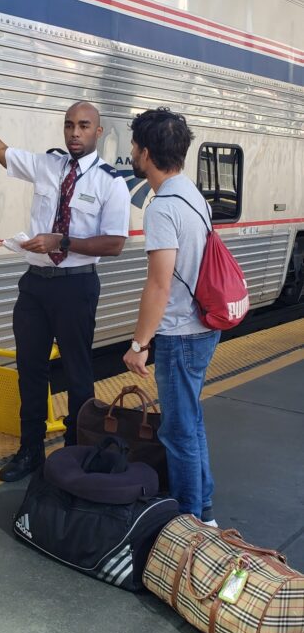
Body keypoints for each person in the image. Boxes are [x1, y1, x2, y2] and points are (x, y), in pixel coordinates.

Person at [0, 96, 131, 482]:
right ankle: (30, 452)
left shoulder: (111, 183)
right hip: (36, 287)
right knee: (30, 370)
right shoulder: (47, 165)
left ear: (99, 132)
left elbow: (115, 243)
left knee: (77, 372)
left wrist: (62, 242)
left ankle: (76, 452)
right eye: (70, 125)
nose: (75, 132)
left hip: (77, 286)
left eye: (84, 126)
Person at [123, 108, 220, 525]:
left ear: (145, 152)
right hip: (202, 328)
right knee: (191, 423)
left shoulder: (162, 207)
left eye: (133, 146)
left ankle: (188, 522)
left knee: (177, 433)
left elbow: (159, 285)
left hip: (180, 334)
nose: (131, 152)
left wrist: (138, 345)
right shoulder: (193, 194)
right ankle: (206, 508)